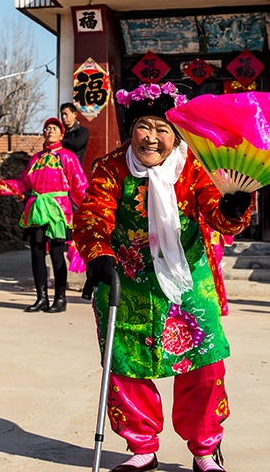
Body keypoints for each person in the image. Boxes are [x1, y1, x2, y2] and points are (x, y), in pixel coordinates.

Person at [76, 83, 253, 472]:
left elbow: (221, 219)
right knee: (124, 364)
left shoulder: (193, 168)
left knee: (205, 365)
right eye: (143, 126)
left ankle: (205, 450)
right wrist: (99, 256)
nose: (152, 137)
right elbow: (92, 216)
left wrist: (235, 204)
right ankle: (142, 448)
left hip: (186, 282)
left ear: (176, 135)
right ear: (130, 129)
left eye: (162, 128)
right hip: (127, 281)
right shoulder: (111, 168)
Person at [0, 117, 87, 313]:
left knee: (57, 255)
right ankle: (41, 298)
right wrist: (5, 187)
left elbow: (80, 186)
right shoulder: (35, 158)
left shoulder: (68, 157)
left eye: (54, 128)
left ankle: (60, 298)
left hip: (58, 210)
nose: (49, 131)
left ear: (61, 134)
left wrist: (88, 209)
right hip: (37, 209)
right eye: (47, 128)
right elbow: (23, 183)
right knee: (37, 254)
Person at [60, 102, 89, 166]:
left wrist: (60, 142)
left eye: (66, 114)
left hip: (75, 168)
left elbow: (77, 143)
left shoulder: (82, 131)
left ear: (75, 114)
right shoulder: (59, 131)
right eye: (62, 114)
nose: (63, 117)